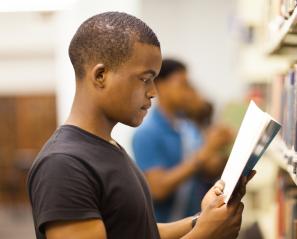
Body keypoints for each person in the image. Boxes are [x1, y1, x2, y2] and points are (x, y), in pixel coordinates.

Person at [27, 12, 254, 239]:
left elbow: (140, 231)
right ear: (100, 76)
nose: (153, 92)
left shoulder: (108, 147)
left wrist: (203, 219)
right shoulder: (64, 164)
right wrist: (205, 234)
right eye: (145, 79)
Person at [132, 59, 233, 222]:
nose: (188, 92)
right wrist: (204, 153)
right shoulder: (146, 134)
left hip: (192, 224)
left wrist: (224, 148)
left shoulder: (188, 127)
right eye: (182, 84)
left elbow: (208, 169)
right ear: (161, 86)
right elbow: (158, 188)